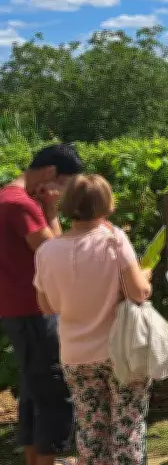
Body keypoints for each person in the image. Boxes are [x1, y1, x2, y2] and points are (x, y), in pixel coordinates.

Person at [33, 174, 153, 464]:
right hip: (120, 350)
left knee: (90, 430)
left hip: (75, 355)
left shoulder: (46, 252)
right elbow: (138, 292)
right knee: (127, 427)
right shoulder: (114, 240)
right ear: (106, 204)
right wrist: (145, 275)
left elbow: (46, 306)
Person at [0, 144, 82, 465]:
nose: (62, 193)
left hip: (18, 310)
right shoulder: (21, 205)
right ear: (50, 173)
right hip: (34, 312)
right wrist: (51, 211)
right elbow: (56, 254)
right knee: (53, 396)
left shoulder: (7, 198)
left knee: (34, 394)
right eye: (64, 185)